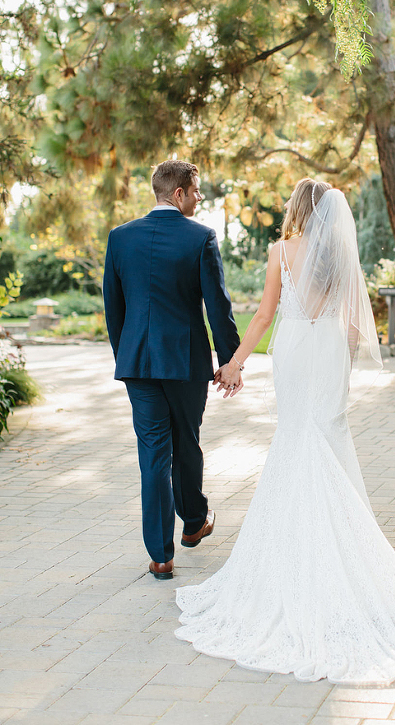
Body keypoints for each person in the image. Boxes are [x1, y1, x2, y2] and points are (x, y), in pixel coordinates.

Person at [174, 178, 395, 684]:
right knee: (328, 436)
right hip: (330, 349)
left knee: (294, 437)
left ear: (297, 208)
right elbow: (357, 326)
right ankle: (343, 552)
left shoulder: (280, 251)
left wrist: (233, 363)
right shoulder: (340, 257)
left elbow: (265, 316)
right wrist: (343, 363)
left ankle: (295, 561)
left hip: (292, 349)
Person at [103, 160, 241, 581]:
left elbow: (114, 306)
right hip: (184, 363)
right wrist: (229, 361)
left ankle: (161, 557)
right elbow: (217, 305)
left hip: (138, 365)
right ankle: (195, 521)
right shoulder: (201, 237)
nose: (200, 197)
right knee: (187, 444)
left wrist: (125, 355)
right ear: (179, 193)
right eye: (196, 190)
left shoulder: (120, 237)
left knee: (153, 456)